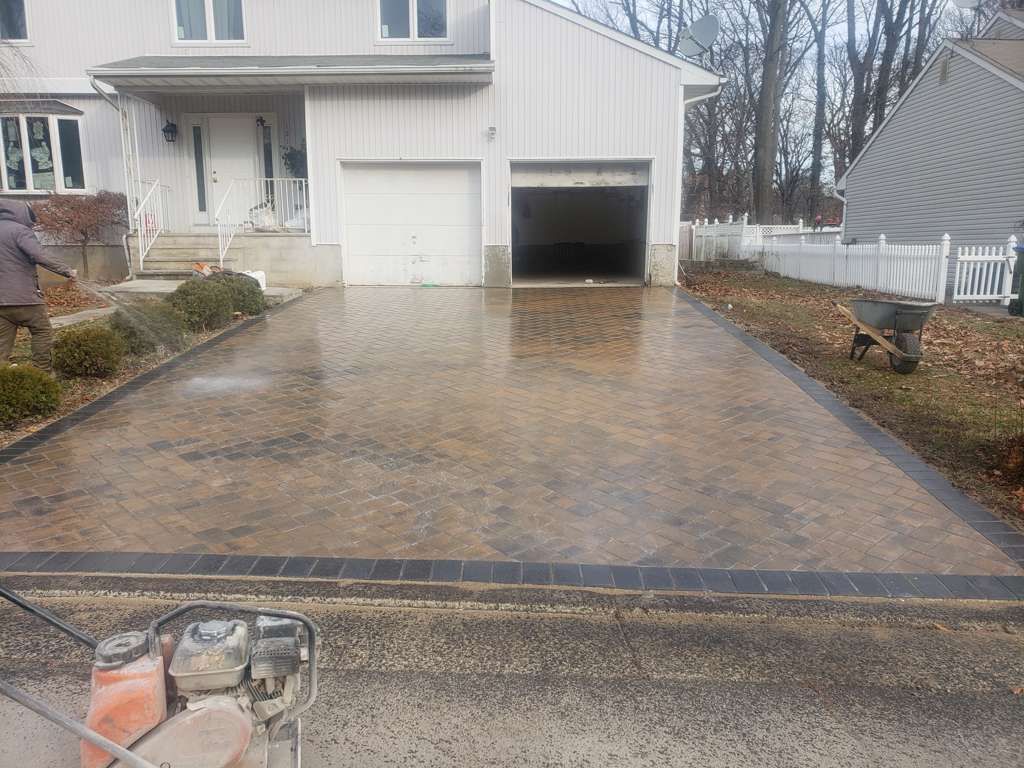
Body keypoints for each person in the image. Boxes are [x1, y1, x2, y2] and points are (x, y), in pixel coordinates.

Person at [0, 200, 77, 372]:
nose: (32, 222)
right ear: (20, 214)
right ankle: (41, 374)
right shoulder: (20, 231)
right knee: (41, 332)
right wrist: (67, 271)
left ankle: (4, 383)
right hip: (25, 299)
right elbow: (39, 255)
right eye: (31, 217)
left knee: (1, 347)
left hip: (1, 303)